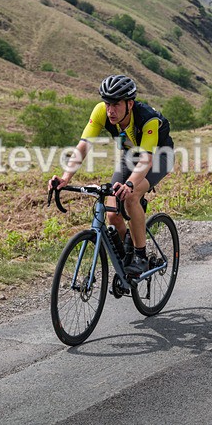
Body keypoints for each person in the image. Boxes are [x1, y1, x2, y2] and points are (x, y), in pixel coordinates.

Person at [48, 74, 174, 276]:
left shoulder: (147, 118)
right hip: (130, 155)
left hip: (158, 157)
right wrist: (65, 178)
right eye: (107, 104)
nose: (110, 110)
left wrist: (130, 185)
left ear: (130, 104)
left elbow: (146, 161)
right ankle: (128, 254)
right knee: (112, 213)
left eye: (115, 104)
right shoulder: (100, 112)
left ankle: (141, 257)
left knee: (131, 197)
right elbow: (83, 147)